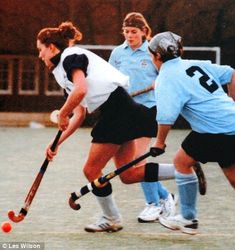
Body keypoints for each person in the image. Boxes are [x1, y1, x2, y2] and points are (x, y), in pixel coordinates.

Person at [36, 21, 178, 233]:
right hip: (122, 110)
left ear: (52, 47)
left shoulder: (70, 57)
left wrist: (63, 113)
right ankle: (184, 170)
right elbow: (80, 112)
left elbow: (81, 90)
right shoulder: (61, 71)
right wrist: (56, 143)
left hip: (117, 111)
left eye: (41, 50)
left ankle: (111, 218)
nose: (40, 56)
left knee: (91, 169)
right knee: (129, 175)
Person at [148, 31, 235, 235]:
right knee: (233, 177)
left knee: (181, 162)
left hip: (214, 130)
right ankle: (188, 218)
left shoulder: (166, 78)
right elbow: (232, 73)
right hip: (229, 122)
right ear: (181, 50)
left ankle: (188, 218)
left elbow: (166, 117)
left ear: (157, 57)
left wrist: (159, 143)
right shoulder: (196, 64)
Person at [109, 12, 176, 223]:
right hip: (124, 111)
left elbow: (170, 76)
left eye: (134, 32)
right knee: (130, 165)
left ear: (144, 32)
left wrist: (161, 81)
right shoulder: (117, 53)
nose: (129, 35)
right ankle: (165, 196)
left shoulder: (153, 53)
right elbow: (111, 79)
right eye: (127, 31)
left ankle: (153, 205)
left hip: (148, 111)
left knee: (139, 161)